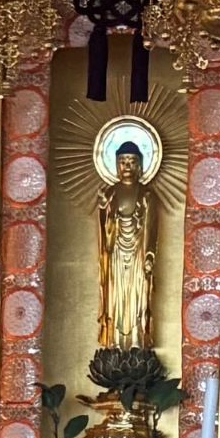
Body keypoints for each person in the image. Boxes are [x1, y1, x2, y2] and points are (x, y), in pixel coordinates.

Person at [94, 136, 159, 359]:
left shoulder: (147, 195)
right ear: (116, 165)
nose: (127, 166)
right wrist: (103, 208)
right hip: (116, 253)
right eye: (123, 161)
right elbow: (104, 227)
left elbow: (152, 227)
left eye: (132, 161)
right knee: (116, 298)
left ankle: (137, 342)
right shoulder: (110, 193)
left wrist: (149, 255)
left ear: (140, 165)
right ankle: (114, 342)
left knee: (137, 297)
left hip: (139, 252)